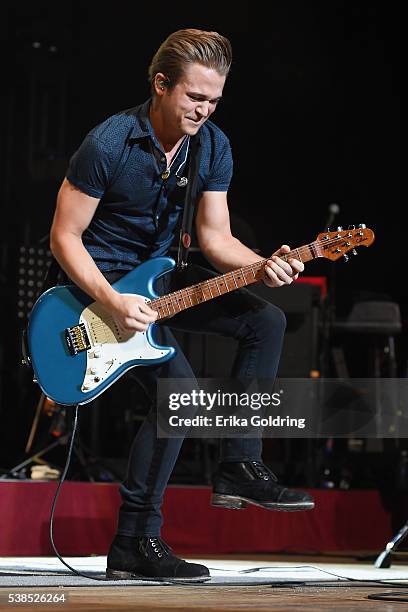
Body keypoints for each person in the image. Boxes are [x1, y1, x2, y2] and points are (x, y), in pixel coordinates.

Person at [50, 29, 314, 582]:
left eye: (214, 99)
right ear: (161, 85)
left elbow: (215, 239)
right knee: (182, 394)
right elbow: (64, 237)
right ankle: (134, 541)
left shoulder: (212, 146)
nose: (204, 109)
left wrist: (264, 262)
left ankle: (239, 462)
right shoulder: (110, 142)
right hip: (101, 291)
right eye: (195, 97)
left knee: (265, 319)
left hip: (164, 280)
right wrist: (111, 298)